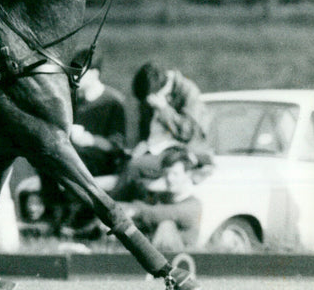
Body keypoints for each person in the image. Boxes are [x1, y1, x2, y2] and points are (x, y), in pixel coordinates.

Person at [36, 47, 129, 233]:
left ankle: (74, 217)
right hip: (77, 153)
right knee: (44, 153)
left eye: (80, 74)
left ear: (95, 73)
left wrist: (90, 140)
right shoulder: (73, 100)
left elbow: (117, 145)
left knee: (66, 159)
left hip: (101, 159)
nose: (75, 78)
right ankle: (53, 212)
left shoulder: (113, 102)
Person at [111, 62, 211, 202]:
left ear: (160, 91)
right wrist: (140, 145)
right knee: (124, 162)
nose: (149, 103)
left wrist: (164, 108)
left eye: (150, 99)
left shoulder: (188, 91)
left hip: (185, 152)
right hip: (157, 149)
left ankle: (112, 210)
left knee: (134, 167)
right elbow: (144, 130)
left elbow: (189, 133)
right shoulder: (150, 92)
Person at [120, 146, 203, 252]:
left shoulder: (193, 205)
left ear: (188, 174)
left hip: (180, 260)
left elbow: (159, 214)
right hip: (153, 255)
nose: (169, 178)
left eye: (175, 174)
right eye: (166, 174)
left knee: (166, 226)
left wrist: (134, 210)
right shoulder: (160, 198)